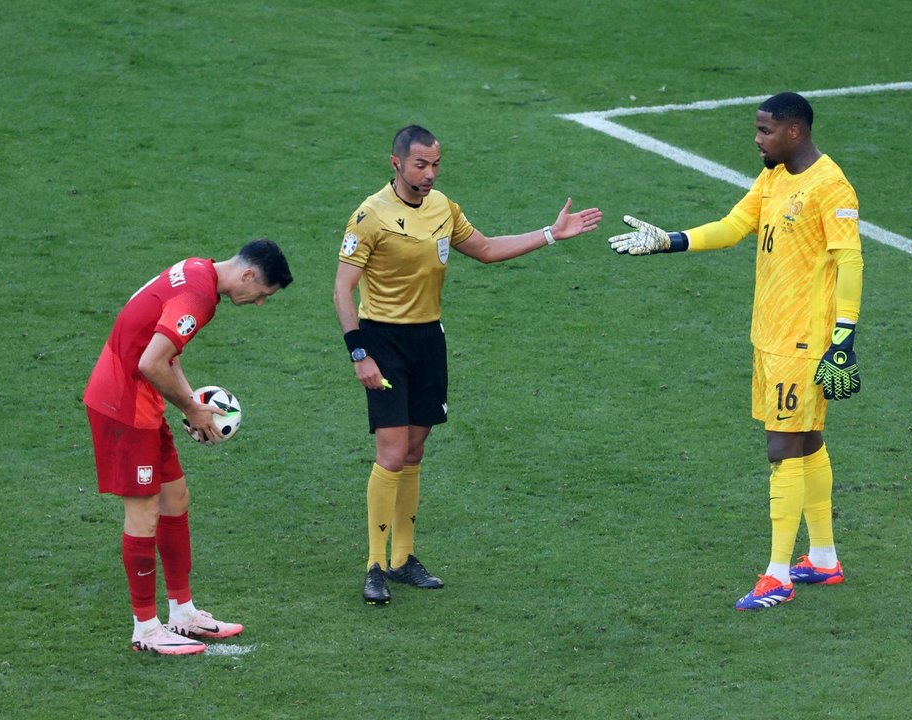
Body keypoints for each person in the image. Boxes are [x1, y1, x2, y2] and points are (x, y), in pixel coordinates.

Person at [608, 92, 863, 611]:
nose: (757, 138)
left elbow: (851, 262)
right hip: (768, 335)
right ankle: (822, 558)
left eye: (765, 130)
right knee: (808, 440)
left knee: (782, 448)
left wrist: (843, 339)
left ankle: (776, 576)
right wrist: (671, 241)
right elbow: (733, 226)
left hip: (803, 341)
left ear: (794, 132)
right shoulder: (773, 177)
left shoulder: (830, 185)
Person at [334, 125, 603, 605]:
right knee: (391, 454)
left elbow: (485, 249)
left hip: (428, 339)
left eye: (436, 164)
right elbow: (342, 289)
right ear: (395, 163)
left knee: (415, 453)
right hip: (383, 340)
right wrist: (360, 353)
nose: (430, 174)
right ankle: (375, 563)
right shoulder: (369, 216)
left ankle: (403, 560)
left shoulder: (442, 207)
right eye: (421, 165)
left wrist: (551, 234)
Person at [84, 239, 292, 653]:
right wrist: (192, 411)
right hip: (122, 405)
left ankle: (182, 613)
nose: (259, 303)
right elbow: (150, 362)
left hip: (140, 402)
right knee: (143, 514)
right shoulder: (199, 296)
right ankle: (145, 628)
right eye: (263, 294)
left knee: (175, 499)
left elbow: (165, 354)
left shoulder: (199, 268)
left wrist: (191, 403)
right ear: (248, 274)